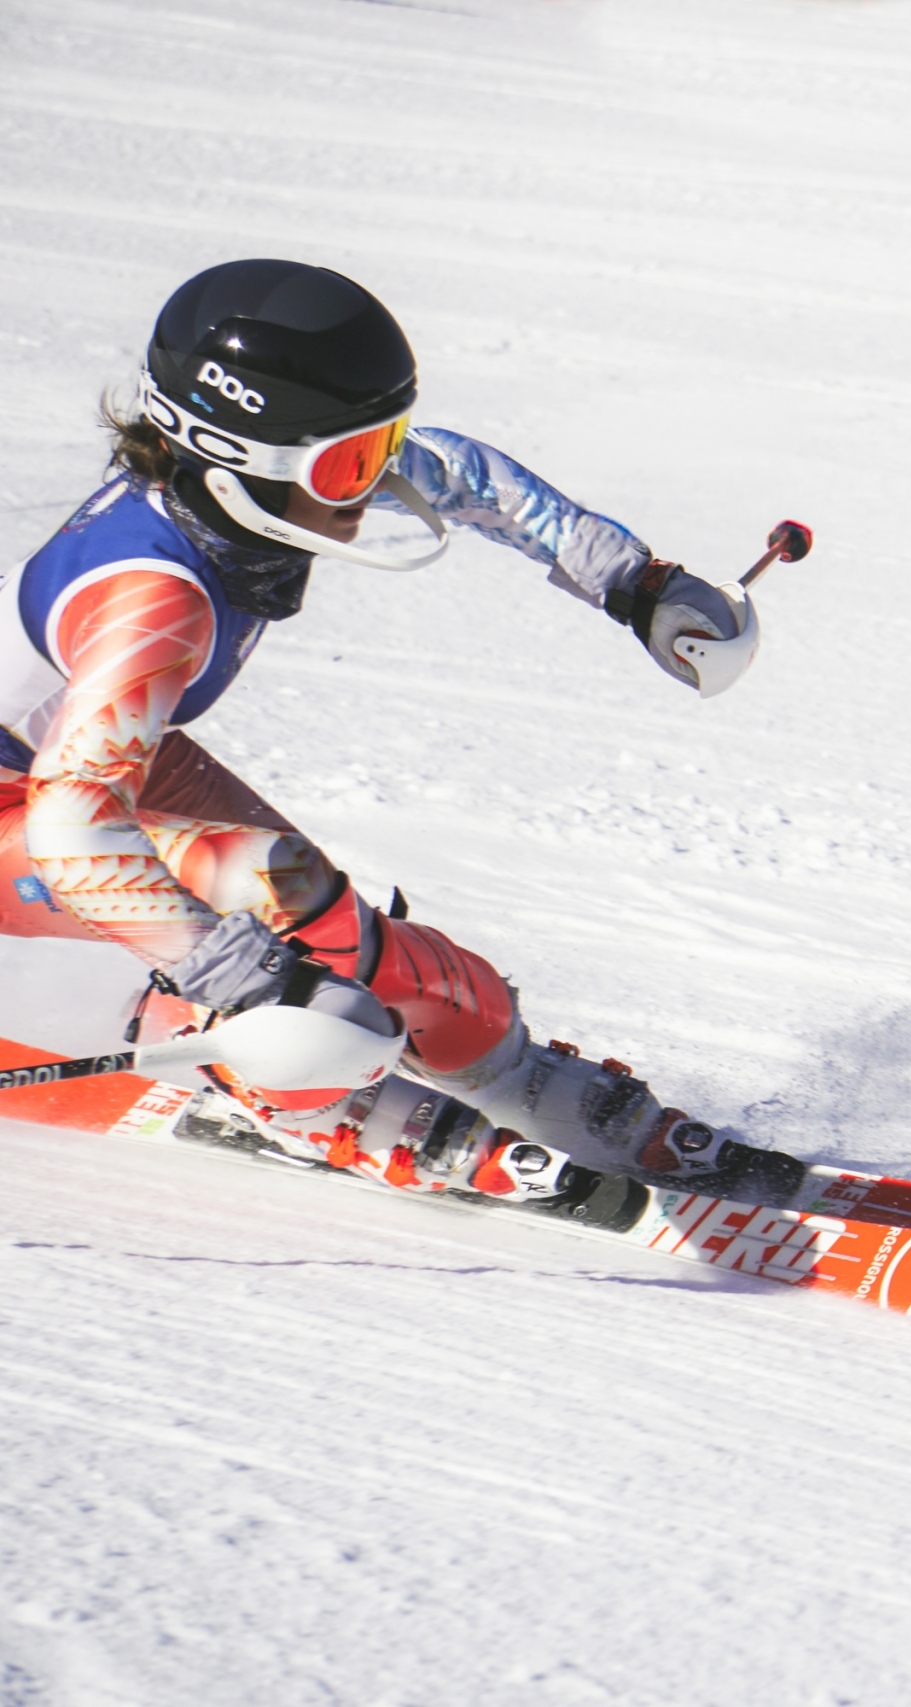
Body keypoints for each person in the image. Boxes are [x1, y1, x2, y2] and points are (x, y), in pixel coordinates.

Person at [0, 258, 785, 1203]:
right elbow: (73, 829)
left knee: (334, 926)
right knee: (283, 909)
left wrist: (634, 581)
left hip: (54, 760)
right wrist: (241, 979)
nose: (372, 484)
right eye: (350, 465)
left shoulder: (236, 488)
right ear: (240, 456)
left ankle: (519, 1073)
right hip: (45, 801)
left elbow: (455, 472)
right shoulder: (155, 601)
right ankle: (297, 1095)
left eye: (375, 448)